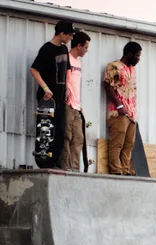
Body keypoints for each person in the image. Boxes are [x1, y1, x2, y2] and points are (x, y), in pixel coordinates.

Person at [30, 20, 76, 168]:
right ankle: (45, 162)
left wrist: (68, 87)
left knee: (61, 132)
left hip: (61, 98)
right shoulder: (46, 49)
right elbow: (34, 70)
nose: (71, 38)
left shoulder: (64, 50)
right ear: (61, 34)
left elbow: (66, 72)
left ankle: (54, 162)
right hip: (48, 98)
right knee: (48, 131)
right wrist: (45, 88)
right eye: (69, 35)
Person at [103, 42, 142, 175]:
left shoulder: (133, 69)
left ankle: (125, 169)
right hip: (118, 112)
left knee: (129, 144)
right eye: (137, 55)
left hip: (131, 113)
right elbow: (108, 86)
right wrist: (119, 105)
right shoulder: (114, 66)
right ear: (129, 54)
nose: (138, 58)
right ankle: (116, 170)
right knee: (117, 142)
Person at [61, 31, 91, 172]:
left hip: (77, 106)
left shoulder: (78, 62)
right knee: (67, 136)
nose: (86, 50)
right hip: (67, 104)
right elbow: (62, 78)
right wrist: (66, 89)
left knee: (78, 138)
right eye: (85, 47)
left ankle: (75, 168)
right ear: (78, 46)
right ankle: (65, 167)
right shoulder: (66, 58)